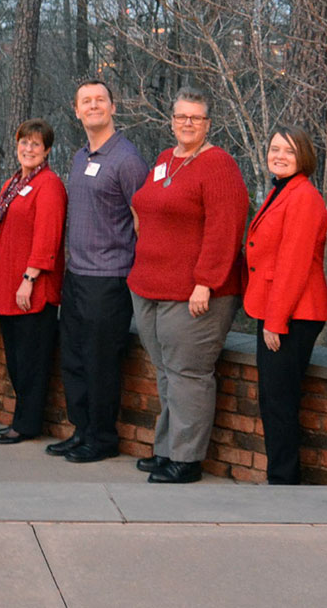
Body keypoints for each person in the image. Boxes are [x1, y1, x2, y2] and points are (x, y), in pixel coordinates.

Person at [128, 87, 248, 484]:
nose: (187, 124)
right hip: (150, 285)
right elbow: (145, 204)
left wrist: (206, 282)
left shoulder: (219, 166)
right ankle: (166, 449)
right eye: (181, 117)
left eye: (196, 118)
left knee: (188, 375)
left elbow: (225, 228)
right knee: (166, 372)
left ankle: (187, 459)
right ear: (172, 120)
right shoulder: (165, 159)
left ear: (208, 123)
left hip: (195, 293)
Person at [52, 80, 149, 462]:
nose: (93, 106)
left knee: (100, 362)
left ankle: (103, 439)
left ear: (113, 106)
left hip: (109, 279)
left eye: (100, 100)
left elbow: (143, 221)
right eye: (85, 101)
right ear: (76, 111)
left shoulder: (127, 159)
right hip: (76, 276)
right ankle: (82, 431)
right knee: (74, 358)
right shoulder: (80, 157)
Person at [243, 127, 327, 485]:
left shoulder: (304, 197)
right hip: (277, 309)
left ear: (304, 158)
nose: (279, 156)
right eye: (275, 148)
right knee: (272, 400)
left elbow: (293, 264)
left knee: (279, 402)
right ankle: (280, 477)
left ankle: (283, 483)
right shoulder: (282, 190)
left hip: (293, 314)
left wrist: (275, 321)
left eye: (289, 152)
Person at [0, 119, 66, 445]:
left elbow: (47, 239)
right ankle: (19, 418)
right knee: (16, 359)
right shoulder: (13, 183)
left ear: (46, 150)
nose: (28, 149)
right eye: (24, 143)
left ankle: (28, 424)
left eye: (35, 144)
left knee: (31, 361)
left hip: (32, 289)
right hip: (7, 287)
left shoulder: (49, 185)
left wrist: (29, 279)